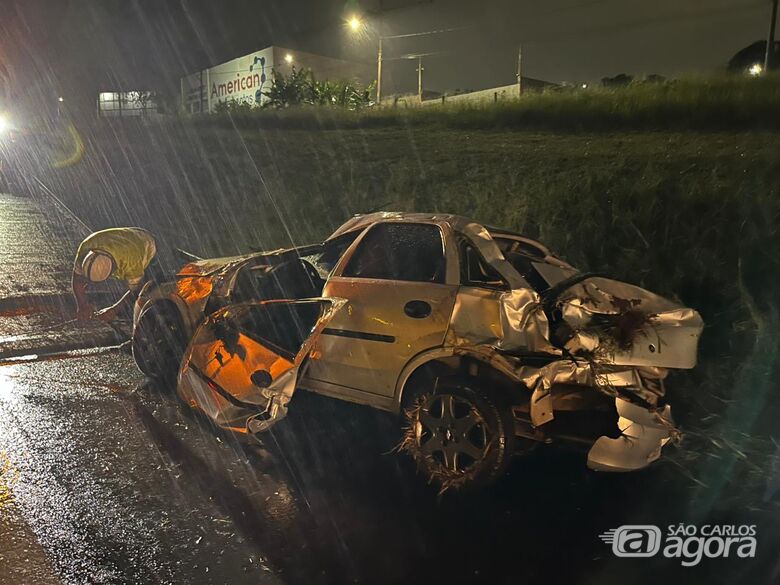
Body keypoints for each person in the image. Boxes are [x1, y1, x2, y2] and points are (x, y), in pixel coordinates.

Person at [72, 227, 161, 323]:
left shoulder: (131, 261)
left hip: (147, 243)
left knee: (149, 290)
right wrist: (82, 305)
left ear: (113, 270)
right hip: (128, 236)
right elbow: (77, 279)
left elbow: (137, 289)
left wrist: (114, 310)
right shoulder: (86, 247)